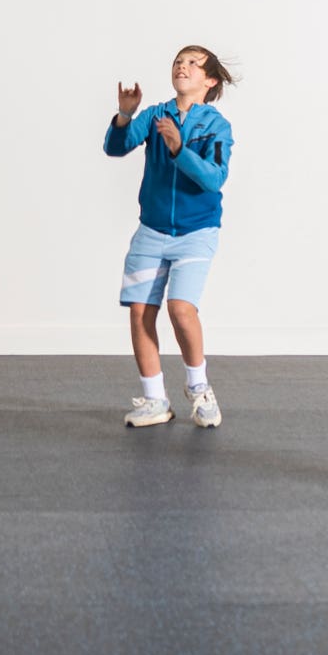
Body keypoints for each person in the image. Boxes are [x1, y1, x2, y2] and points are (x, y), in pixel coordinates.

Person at [103, 46, 237, 428]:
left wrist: (178, 148)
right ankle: (154, 400)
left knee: (181, 309)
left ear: (209, 81)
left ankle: (198, 387)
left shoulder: (216, 126)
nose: (183, 66)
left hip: (197, 233)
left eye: (193, 63)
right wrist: (126, 115)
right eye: (179, 61)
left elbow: (214, 179)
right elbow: (116, 148)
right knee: (141, 311)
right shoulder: (155, 115)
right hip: (152, 231)